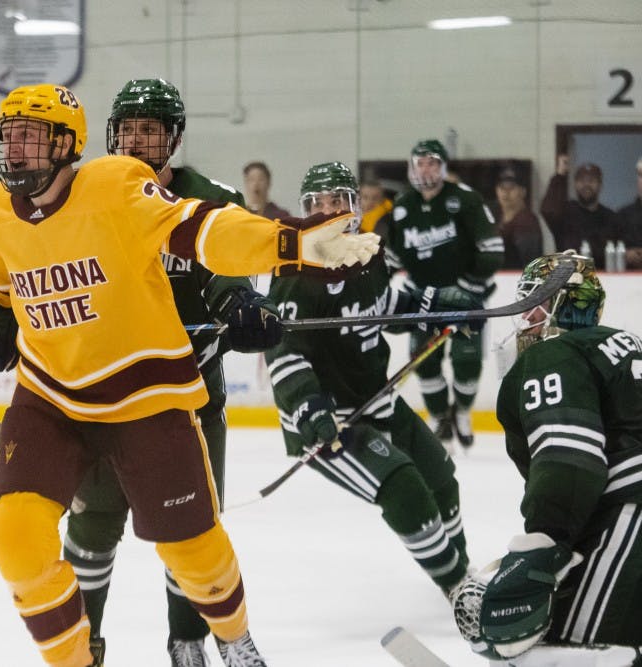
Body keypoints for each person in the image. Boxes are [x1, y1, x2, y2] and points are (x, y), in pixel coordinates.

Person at [0, 83, 380, 667]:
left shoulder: (117, 185)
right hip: (51, 398)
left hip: (147, 398)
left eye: (32, 135)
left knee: (194, 553)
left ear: (68, 144)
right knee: (16, 538)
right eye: (10, 135)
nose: (16, 149)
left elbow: (204, 232)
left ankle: (233, 634)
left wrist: (290, 242)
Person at [0, 78, 280, 667]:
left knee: (188, 530)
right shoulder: (89, 189)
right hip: (93, 399)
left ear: (174, 139)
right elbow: (25, 258)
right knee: (92, 528)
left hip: (182, 398)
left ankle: (192, 640)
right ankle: (88, 645)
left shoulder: (208, 193)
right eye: (128, 129)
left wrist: (241, 303)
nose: (136, 141)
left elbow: (219, 256)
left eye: (150, 130)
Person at [266, 161, 473, 601]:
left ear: (355, 205)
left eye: (337, 200)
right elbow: (284, 353)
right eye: (317, 203)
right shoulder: (295, 271)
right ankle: (460, 590)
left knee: (441, 479)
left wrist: (434, 308)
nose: (328, 211)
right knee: (406, 492)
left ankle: (464, 572)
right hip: (328, 420)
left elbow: (384, 305)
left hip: (375, 400)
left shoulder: (367, 252)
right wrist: (311, 411)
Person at [451, 251, 642, 665]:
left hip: (629, 515)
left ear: (560, 303)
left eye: (531, 303)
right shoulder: (623, 346)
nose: (523, 317)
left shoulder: (552, 354)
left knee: (575, 648)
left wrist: (542, 546)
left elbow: (568, 457)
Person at [385, 139, 504, 451]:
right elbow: (393, 257)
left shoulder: (465, 199)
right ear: (412, 167)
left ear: (443, 167)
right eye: (420, 163)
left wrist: (466, 287)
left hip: (464, 299)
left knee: (467, 362)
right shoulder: (402, 205)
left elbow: (492, 251)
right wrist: (374, 286)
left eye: (433, 163)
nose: (426, 169)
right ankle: (441, 419)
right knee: (424, 363)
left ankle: (462, 411)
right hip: (422, 300)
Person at [540, 156, 618, 269]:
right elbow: (548, 210)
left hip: (602, 279)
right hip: (568, 278)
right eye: (582, 181)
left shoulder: (610, 217)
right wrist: (560, 175)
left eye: (591, 181)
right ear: (575, 184)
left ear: (600, 185)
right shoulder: (565, 213)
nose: (586, 185)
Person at [491, 165, 547, 270]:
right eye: (502, 187)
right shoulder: (494, 218)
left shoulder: (527, 221)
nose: (506, 192)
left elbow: (530, 264)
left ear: (523, 192)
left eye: (511, 187)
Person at [617, 156, 642, 270]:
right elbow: (610, 246)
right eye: (641, 175)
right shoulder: (622, 214)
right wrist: (625, 254)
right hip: (628, 280)